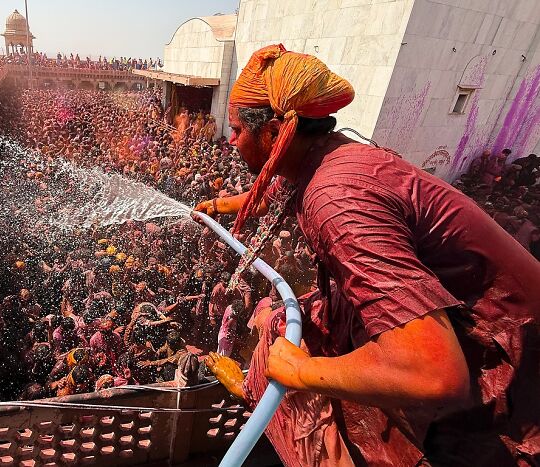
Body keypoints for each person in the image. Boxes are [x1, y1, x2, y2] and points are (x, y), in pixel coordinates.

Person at [195, 44, 540, 466]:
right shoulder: (325, 154)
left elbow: (435, 372)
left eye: (236, 129)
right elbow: (268, 191)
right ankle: (260, 390)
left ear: (273, 133)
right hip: (464, 332)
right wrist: (218, 207)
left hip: (504, 370)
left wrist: (298, 372)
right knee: (282, 321)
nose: (229, 140)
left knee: (287, 349)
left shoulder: (336, 199)